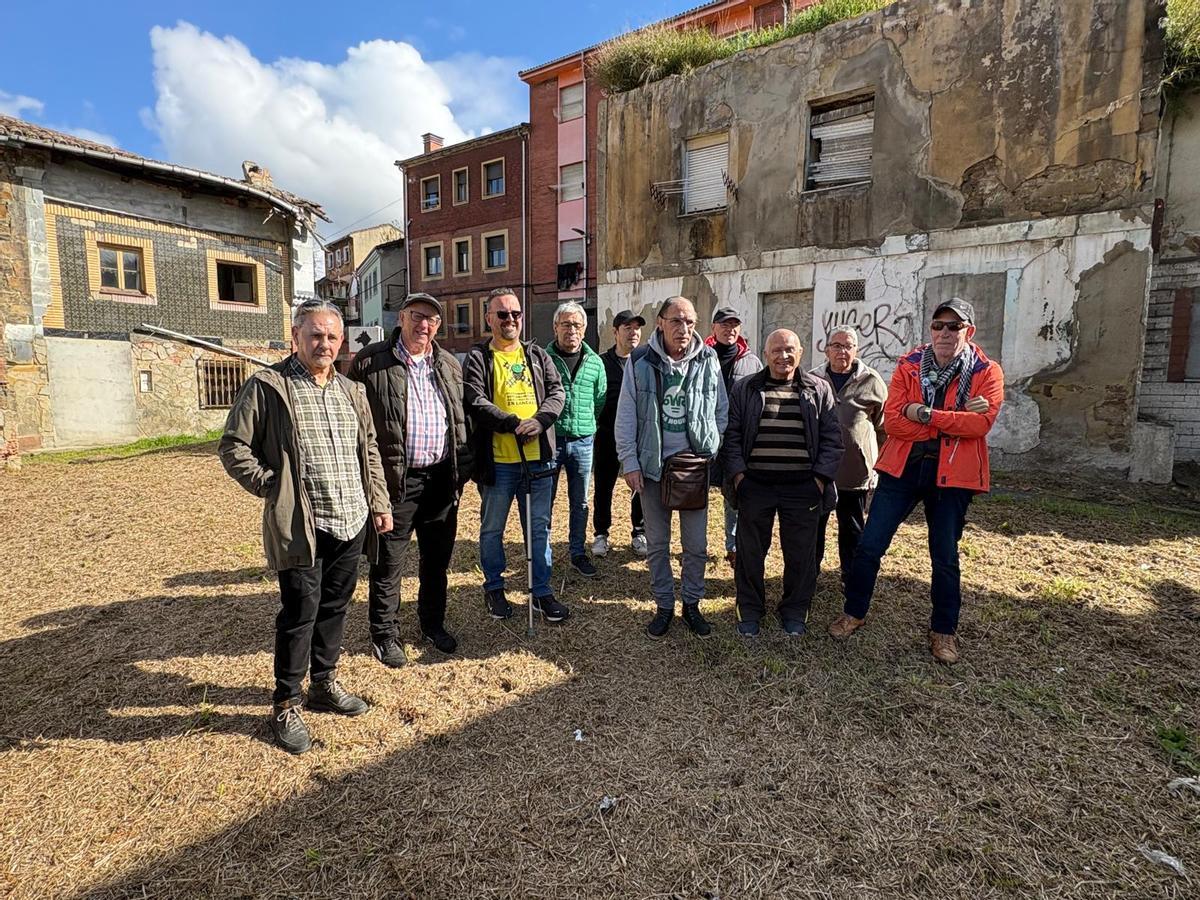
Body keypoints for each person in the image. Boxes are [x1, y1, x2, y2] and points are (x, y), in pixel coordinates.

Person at [218, 298, 391, 755]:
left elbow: (368, 450)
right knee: (300, 613)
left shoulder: (351, 391)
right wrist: (272, 486)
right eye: (316, 334)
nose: (325, 344)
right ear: (296, 337)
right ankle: (286, 702)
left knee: (335, 607)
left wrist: (378, 502)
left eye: (333, 336)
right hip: (302, 524)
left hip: (351, 517)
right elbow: (234, 446)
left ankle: (324, 684)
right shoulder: (269, 385)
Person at [829, 298, 1004, 664]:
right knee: (870, 544)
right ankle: (854, 612)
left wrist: (923, 412)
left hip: (953, 473)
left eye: (954, 326)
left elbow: (981, 425)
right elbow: (893, 422)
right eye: (938, 325)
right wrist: (952, 416)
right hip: (903, 467)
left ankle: (943, 631)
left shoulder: (986, 372)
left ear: (968, 331)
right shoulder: (909, 365)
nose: (944, 332)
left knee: (944, 555)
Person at [348, 292, 471, 667]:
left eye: (432, 320)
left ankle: (432, 624)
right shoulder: (371, 363)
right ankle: (385, 635)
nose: (425, 325)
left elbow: (461, 421)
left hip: (440, 482)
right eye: (418, 316)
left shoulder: (448, 363)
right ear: (401, 317)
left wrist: (460, 474)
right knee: (389, 563)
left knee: (436, 562)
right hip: (395, 482)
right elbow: (357, 426)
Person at [615, 296, 728, 639]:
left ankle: (691, 604)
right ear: (661, 322)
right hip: (653, 469)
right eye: (676, 321)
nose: (684, 329)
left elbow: (721, 409)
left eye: (690, 322)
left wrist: (711, 446)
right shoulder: (640, 360)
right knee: (658, 544)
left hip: (693, 469)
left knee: (696, 545)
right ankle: (664, 605)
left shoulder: (708, 358)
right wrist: (630, 462)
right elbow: (626, 417)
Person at [722, 329, 843, 636]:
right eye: (776, 350)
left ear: (800, 353)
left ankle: (794, 609)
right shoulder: (745, 388)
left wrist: (818, 480)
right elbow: (732, 436)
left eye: (789, 350)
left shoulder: (819, 389)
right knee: (749, 552)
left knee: (801, 553)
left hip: (802, 487)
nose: (783, 356)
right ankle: (749, 608)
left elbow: (832, 440)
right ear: (766, 354)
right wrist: (739, 478)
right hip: (755, 485)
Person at [463, 288, 569, 623]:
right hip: (498, 463)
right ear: (488, 319)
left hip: (539, 461)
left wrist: (539, 421)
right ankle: (494, 587)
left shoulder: (537, 355)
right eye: (503, 314)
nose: (511, 320)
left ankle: (541, 592)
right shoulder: (479, 357)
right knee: (492, 529)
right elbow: (474, 399)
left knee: (539, 529)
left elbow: (557, 392)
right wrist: (512, 424)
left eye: (516, 314)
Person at [811, 327, 887, 583]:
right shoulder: (813, 380)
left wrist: (876, 463)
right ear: (827, 349)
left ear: (856, 350)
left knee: (852, 528)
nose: (842, 351)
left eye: (848, 345)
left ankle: (850, 579)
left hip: (855, 472)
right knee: (814, 527)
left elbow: (882, 426)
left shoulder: (872, 381)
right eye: (836, 345)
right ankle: (809, 575)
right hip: (820, 472)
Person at [545, 301, 606, 577]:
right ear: (555, 327)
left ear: (584, 329)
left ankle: (577, 552)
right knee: (545, 500)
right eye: (566, 324)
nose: (572, 330)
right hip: (550, 441)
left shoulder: (595, 362)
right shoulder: (541, 359)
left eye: (577, 325)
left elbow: (599, 400)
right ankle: (541, 553)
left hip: (583, 441)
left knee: (580, 501)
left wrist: (585, 425)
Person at [705, 307, 762, 568]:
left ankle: (733, 546)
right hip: (703, 437)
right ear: (714, 328)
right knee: (698, 494)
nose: (730, 330)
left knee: (734, 495)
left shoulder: (752, 362)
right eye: (725, 325)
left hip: (736, 438)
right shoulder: (700, 356)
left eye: (734, 325)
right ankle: (697, 546)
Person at [592, 310, 648, 558]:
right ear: (615, 332)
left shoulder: (645, 361)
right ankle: (601, 533)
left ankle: (639, 532)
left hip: (639, 437)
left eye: (637, 328)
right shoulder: (602, 363)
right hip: (607, 435)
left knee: (640, 486)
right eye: (627, 327)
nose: (633, 332)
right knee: (604, 486)